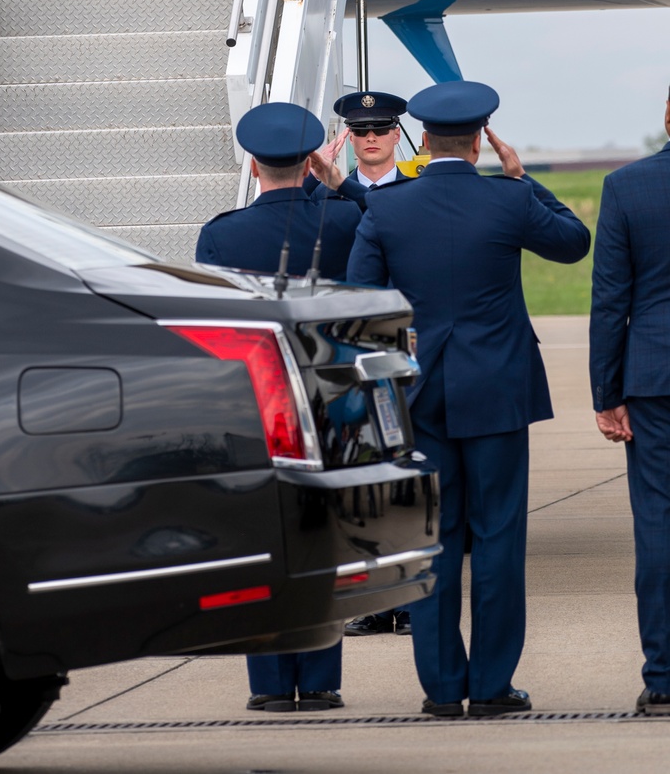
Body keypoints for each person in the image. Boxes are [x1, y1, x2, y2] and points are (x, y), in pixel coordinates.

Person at [346, 81, 591, 718]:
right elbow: (572, 243)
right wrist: (524, 180)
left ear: (421, 141)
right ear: (482, 139)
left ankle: (441, 687)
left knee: (433, 540)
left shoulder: (388, 207)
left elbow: (359, 302)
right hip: (498, 391)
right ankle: (491, 686)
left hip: (419, 393)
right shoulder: (507, 199)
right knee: (499, 537)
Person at [195, 101, 362, 712]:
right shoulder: (344, 221)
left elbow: (214, 331)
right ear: (310, 160)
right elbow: (384, 221)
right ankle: (320, 680)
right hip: (329, 395)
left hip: (258, 403)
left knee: (263, 542)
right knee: (323, 541)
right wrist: (339, 183)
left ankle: (269, 684)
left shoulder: (222, 233)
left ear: (251, 161)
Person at [589, 88, 670, 715]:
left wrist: (606, 392)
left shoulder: (626, 187)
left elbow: (611, 301)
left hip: (654, 377)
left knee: (659, 523)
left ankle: (665, 675)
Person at [329, 89, 412, 638]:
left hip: (411, 354)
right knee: (367, 486)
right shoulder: (325, 199)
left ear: (397, 133)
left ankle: (409, 593)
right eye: (361, 131)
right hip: (353, 361)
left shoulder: (421, 191)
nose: (372, 138)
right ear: (349, 139)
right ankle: (382, 597)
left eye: (381, 128)